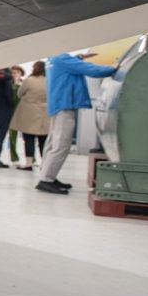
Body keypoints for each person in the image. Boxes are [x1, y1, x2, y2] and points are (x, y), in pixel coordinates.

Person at [36, 52, 116, 194]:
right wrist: (116, 68)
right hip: (65, 105)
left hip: (57, 104)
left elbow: (68, 64)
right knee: (61, 145)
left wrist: (79, 57)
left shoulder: (52, 58)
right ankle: (46, 180)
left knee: (52, 143)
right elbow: (93, 71)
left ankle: (47, 176)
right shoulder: (62, 58)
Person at [9, 60, 49, 170]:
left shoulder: (29, 80)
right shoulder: (49, 81)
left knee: (29, 139)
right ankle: (45, 164)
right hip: (45, 113)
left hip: (29, 112)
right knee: (43, 140)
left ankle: (29, 163)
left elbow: (19, 93)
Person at [7, 65, 25, 164]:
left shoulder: (24, 83)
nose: (15, 74)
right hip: (11, 112)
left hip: (23, 112)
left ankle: (31, 157)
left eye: (17, 72)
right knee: (12, 136)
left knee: (28, 136)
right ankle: (14, 157)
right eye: (13, 73)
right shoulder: (9, 84)